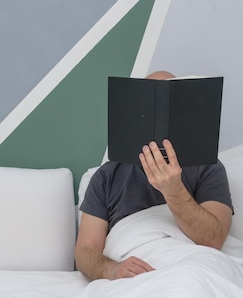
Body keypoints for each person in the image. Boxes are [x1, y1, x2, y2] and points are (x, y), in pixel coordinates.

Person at [74, 71, 233, 281]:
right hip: (135, 272)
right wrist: (112, 270)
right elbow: (84, 251)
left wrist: (173, 189)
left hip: (192, 268)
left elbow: (213, 240)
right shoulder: (106, 176)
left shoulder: (208, 167)